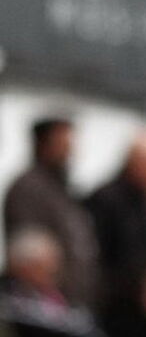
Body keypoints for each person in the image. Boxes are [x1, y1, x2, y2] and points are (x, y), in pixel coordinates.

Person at [0, 230, 111, 337]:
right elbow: (56, 330)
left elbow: (82, 328)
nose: (54, 270)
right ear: (23, 266)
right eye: (45, 266)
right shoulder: (9, 294)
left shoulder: (52, 295)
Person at [3, 117, 98, 305]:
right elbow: (30, 252)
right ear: (43, 144)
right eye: (63, 143)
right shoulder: (28, 189)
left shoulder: (61, 188)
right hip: (42, 302)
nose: (70, 150)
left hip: (71, 299)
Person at [84, 131, 146, 311]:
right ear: (140, 164)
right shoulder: (107, 201)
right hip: (111, 308)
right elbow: (98, 262)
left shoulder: (145, 203)